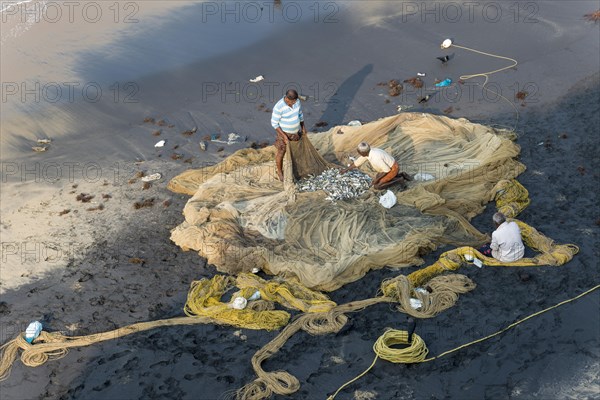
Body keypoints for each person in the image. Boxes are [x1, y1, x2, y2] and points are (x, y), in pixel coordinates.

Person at [270, 89, 307, 181]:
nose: (295, 102)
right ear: (287, 99)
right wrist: (284, 136)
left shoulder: (297, 102)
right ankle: (279, 172)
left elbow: (300, 115)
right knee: (281, 152)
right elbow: (274, 124)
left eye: (295, 100)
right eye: (293, 101)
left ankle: (296, 169)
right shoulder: (278, 107)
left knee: (296, 151)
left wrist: (303, 127)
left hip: (295, 133)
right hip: (283, 133)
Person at [342, 142, 411, 190]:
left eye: (359, 151)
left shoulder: (375, 157)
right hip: (386, 168)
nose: (358, 152)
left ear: (363, 152)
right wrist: (346, 169)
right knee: (379, 178)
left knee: (377, 186)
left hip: (393, 169)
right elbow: (357, 163)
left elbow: (387, 170)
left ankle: (399, 180)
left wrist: (376, 180)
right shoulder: (368, 152)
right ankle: (402, 175)